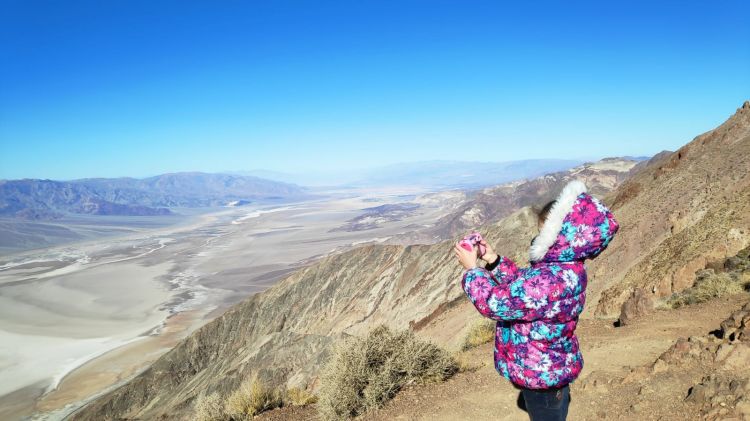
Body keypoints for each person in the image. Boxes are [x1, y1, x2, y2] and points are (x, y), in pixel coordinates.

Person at [453, 180, 619, 421]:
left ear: (562, 236)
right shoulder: (565, 269)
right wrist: (494, 260)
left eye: (545, 232)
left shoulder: (551, 279)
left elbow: (496, 303)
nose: (540, 237)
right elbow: (524, 288)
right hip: (549, 370)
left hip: (541, 380)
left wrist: (472, 270)